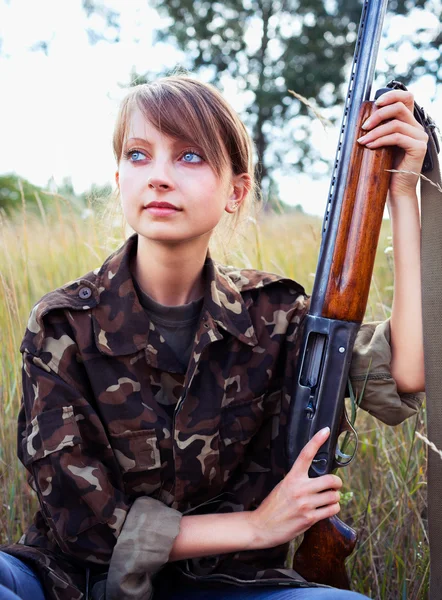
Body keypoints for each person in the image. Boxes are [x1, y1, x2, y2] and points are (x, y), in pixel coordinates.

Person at [0, 76, 427, 600]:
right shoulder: (62, 324)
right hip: (73, 582)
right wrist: (256, 527)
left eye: (189, 157)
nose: (157, 177)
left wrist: (403, 191)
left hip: (230, 585)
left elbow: (409, 369)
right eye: (139, 155)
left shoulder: (275, 315)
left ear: (236, 192)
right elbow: (84, 527)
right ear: (118, 179)